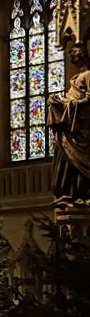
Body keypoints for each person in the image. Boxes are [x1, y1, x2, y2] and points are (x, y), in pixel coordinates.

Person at [48, 42, 90, 207]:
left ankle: (81, 193)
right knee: (63, 154)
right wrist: (60, 102)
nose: (72, 57)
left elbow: (88, 98)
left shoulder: (88, 75)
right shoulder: (75, 78)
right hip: (71, 128)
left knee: (79, 162)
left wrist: (72, 104)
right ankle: (67, 193)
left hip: (81, 128)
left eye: (75, 54)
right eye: (71, 54)